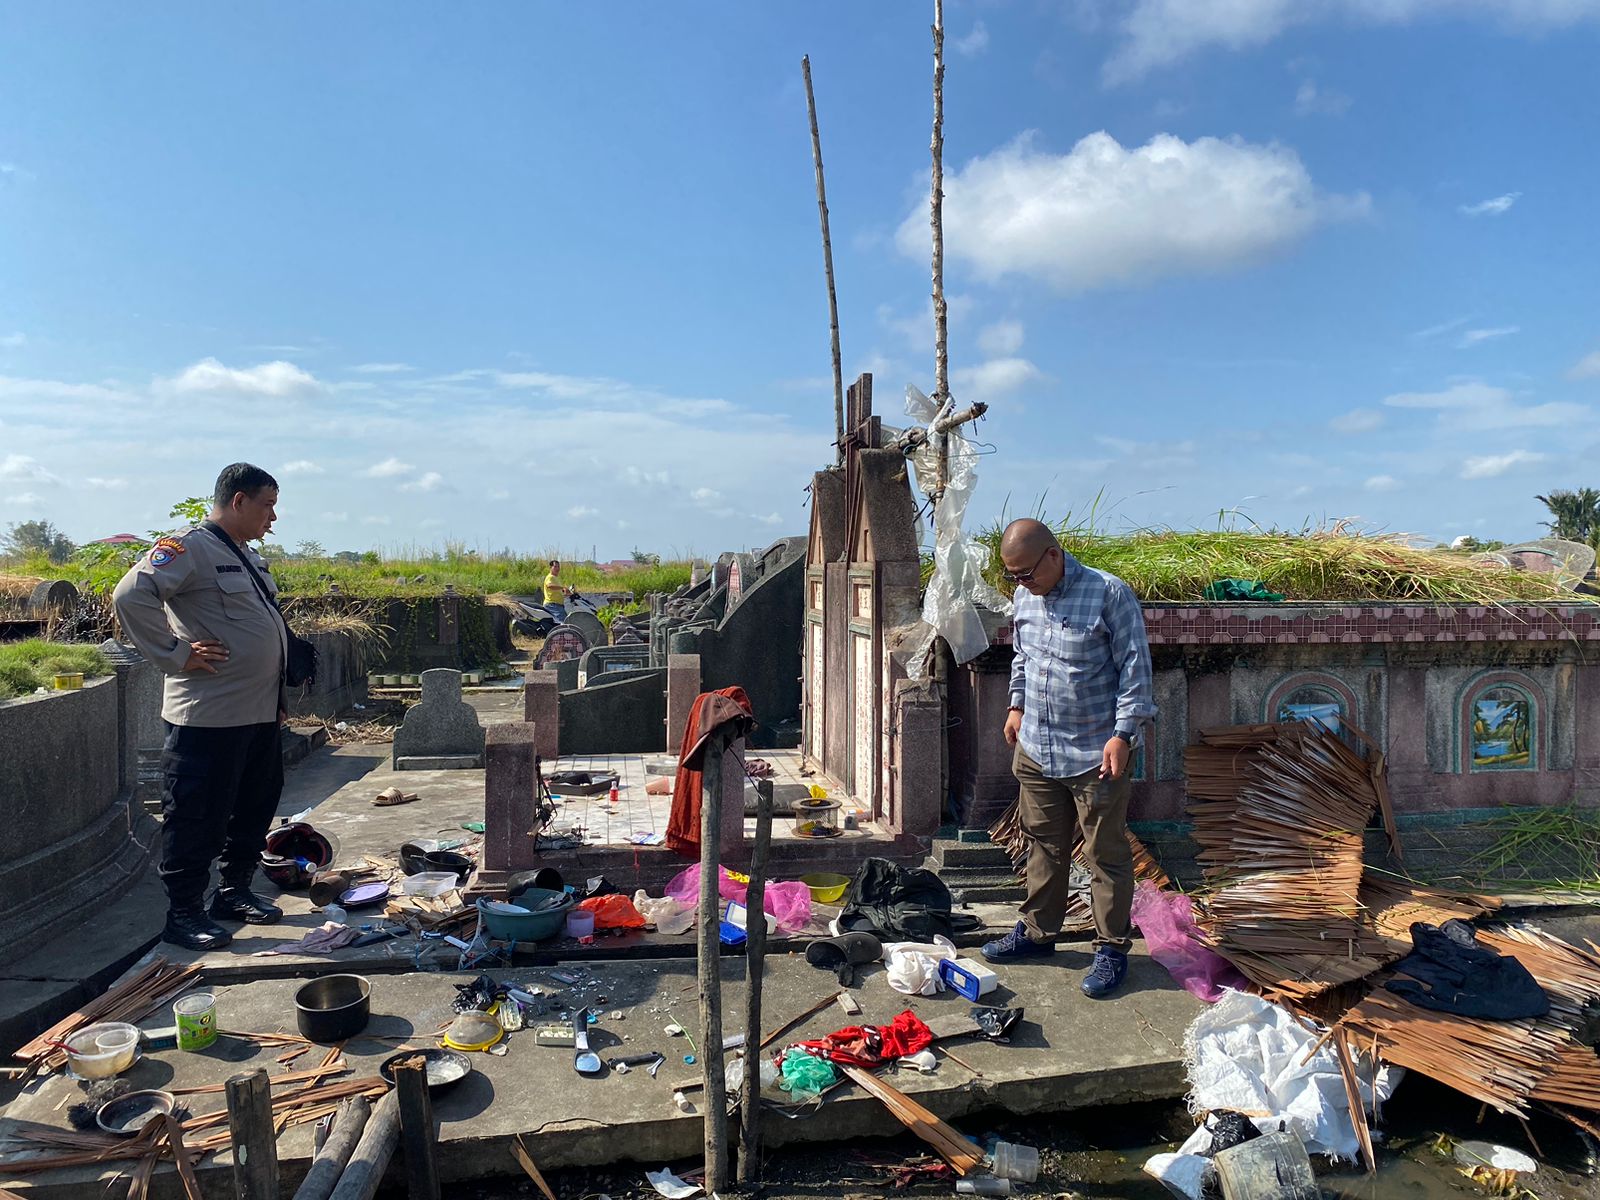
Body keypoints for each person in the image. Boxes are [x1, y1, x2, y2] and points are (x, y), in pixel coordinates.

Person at [112, 463, 289, 951]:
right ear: (238, 501)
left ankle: (233, 892)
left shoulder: (247, 558)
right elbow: (130, 594)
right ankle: (184, 913)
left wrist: (277, 700)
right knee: (197, 816)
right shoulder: (190, 547)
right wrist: (176, 654)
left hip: (256, 714)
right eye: (268, 504)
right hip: (209, 717)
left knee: (255, 808)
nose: (274, 516)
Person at [981, 518, 1157, 999]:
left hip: (1095, 752)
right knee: (1042, 844)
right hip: (1038, 746)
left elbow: (1135, 669)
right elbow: (1023, 657)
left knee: (1106, 854)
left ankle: (1111, 948)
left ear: (1054, 555)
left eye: (1027, 573)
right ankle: (1039, 934)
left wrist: (1123, 734)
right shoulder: (1025, 597)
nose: (1021, 583)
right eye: (1012, 576)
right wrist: (1016, 706)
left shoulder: (1108, 594)